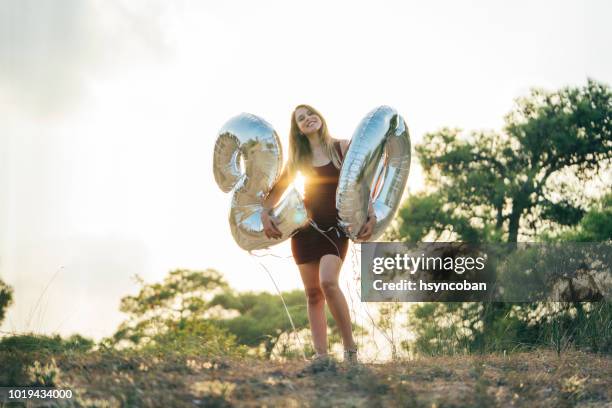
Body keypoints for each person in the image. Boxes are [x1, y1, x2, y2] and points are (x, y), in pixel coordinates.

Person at [260, 104, 376, 366]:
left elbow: (362, 185)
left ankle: (350, 351)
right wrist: (265, 213)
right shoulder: (299, 160)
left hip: (335, 229)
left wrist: (372, 215)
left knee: (328, 283)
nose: (307, 119)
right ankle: (321, 356)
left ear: (319, 117)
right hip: (304, 231)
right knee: (313, 294)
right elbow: (275, 193)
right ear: (298, 129)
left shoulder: (343, 148)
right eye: (301, 119)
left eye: (310, 114)